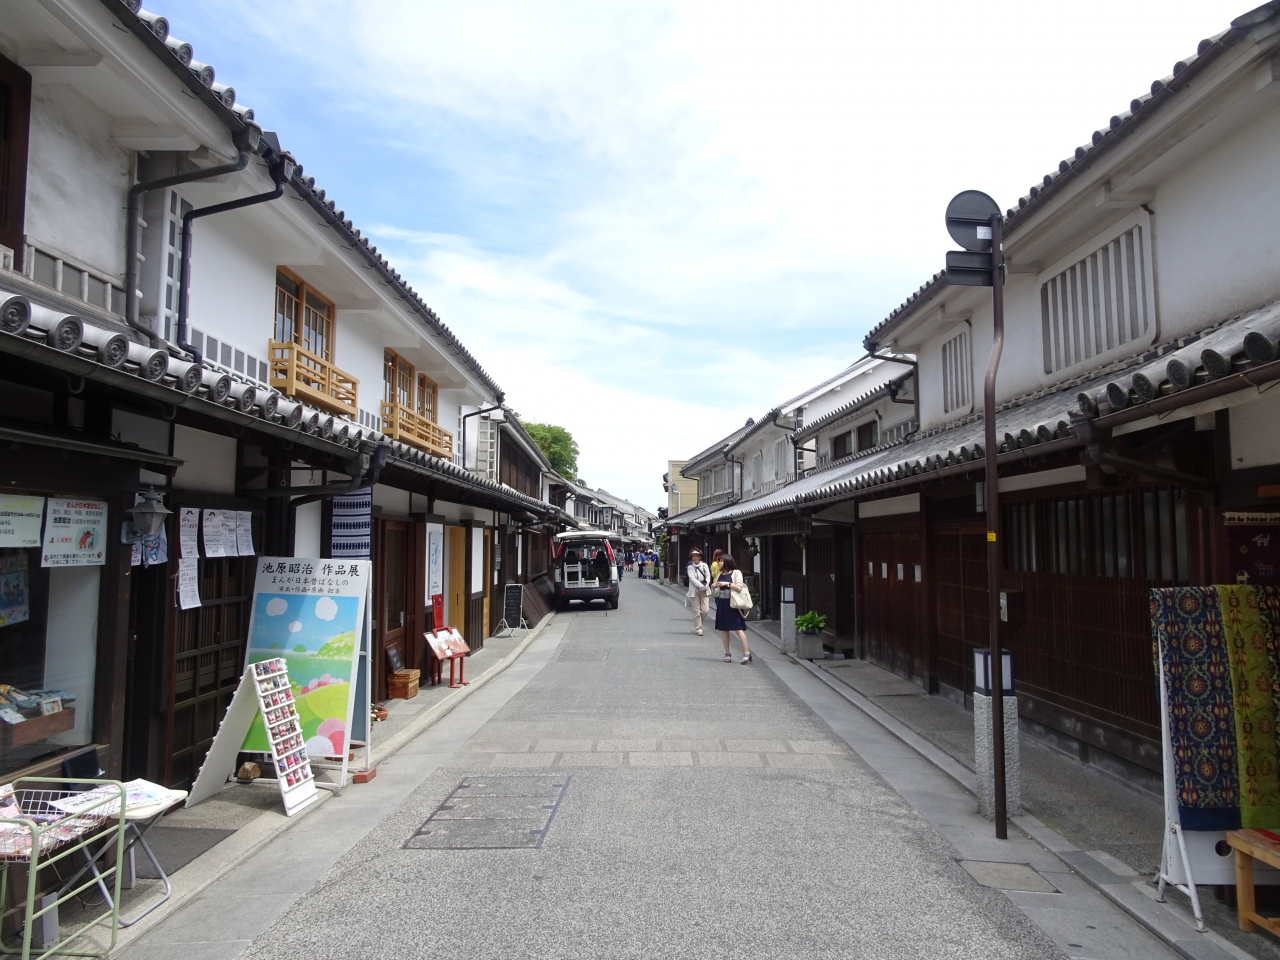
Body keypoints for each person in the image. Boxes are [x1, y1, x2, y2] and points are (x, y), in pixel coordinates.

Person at [712, 554, 752, 664]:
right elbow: (716, 593)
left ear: (727, 562)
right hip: (722, 604)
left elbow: (739, 588)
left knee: (738, 629)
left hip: (733, 604)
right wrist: (714, 587)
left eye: (721, 561)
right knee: (724, 630)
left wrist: (727, 584)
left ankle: (747, 653)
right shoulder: (719, 575)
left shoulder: (736, 573)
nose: (719, 563)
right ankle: (727, 653)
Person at [686, 548, 711, 636]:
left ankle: (699, 623)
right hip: (694, 591)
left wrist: (706, 584)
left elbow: (708, 576)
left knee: (705, 610)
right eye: (693, 556)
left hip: (705, 590)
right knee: (696, 611)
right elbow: (692, 579)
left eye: (696, 556)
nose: (695, 558)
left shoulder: (704, 566)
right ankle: (698, 628)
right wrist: (701, 586)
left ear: (700, 557)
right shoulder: (690, 567)